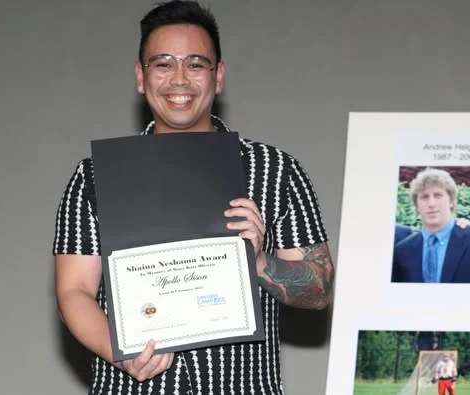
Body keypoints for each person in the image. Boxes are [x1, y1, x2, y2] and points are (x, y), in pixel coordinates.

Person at [52, 1, 334, 394]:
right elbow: (74, 291)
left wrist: (258, 260)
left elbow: (319, 289)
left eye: (196, 64)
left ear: (218, 77)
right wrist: (120, 353)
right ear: (141, 75)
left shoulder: (276, 169)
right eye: (163, 64)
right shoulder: (96, 176)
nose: (180, 80)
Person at [391, 168, 470, 283]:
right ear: (416, 206)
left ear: (451, 201)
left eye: (438, 195)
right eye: (424, 197)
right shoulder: (402, 251)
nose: (431, 204)